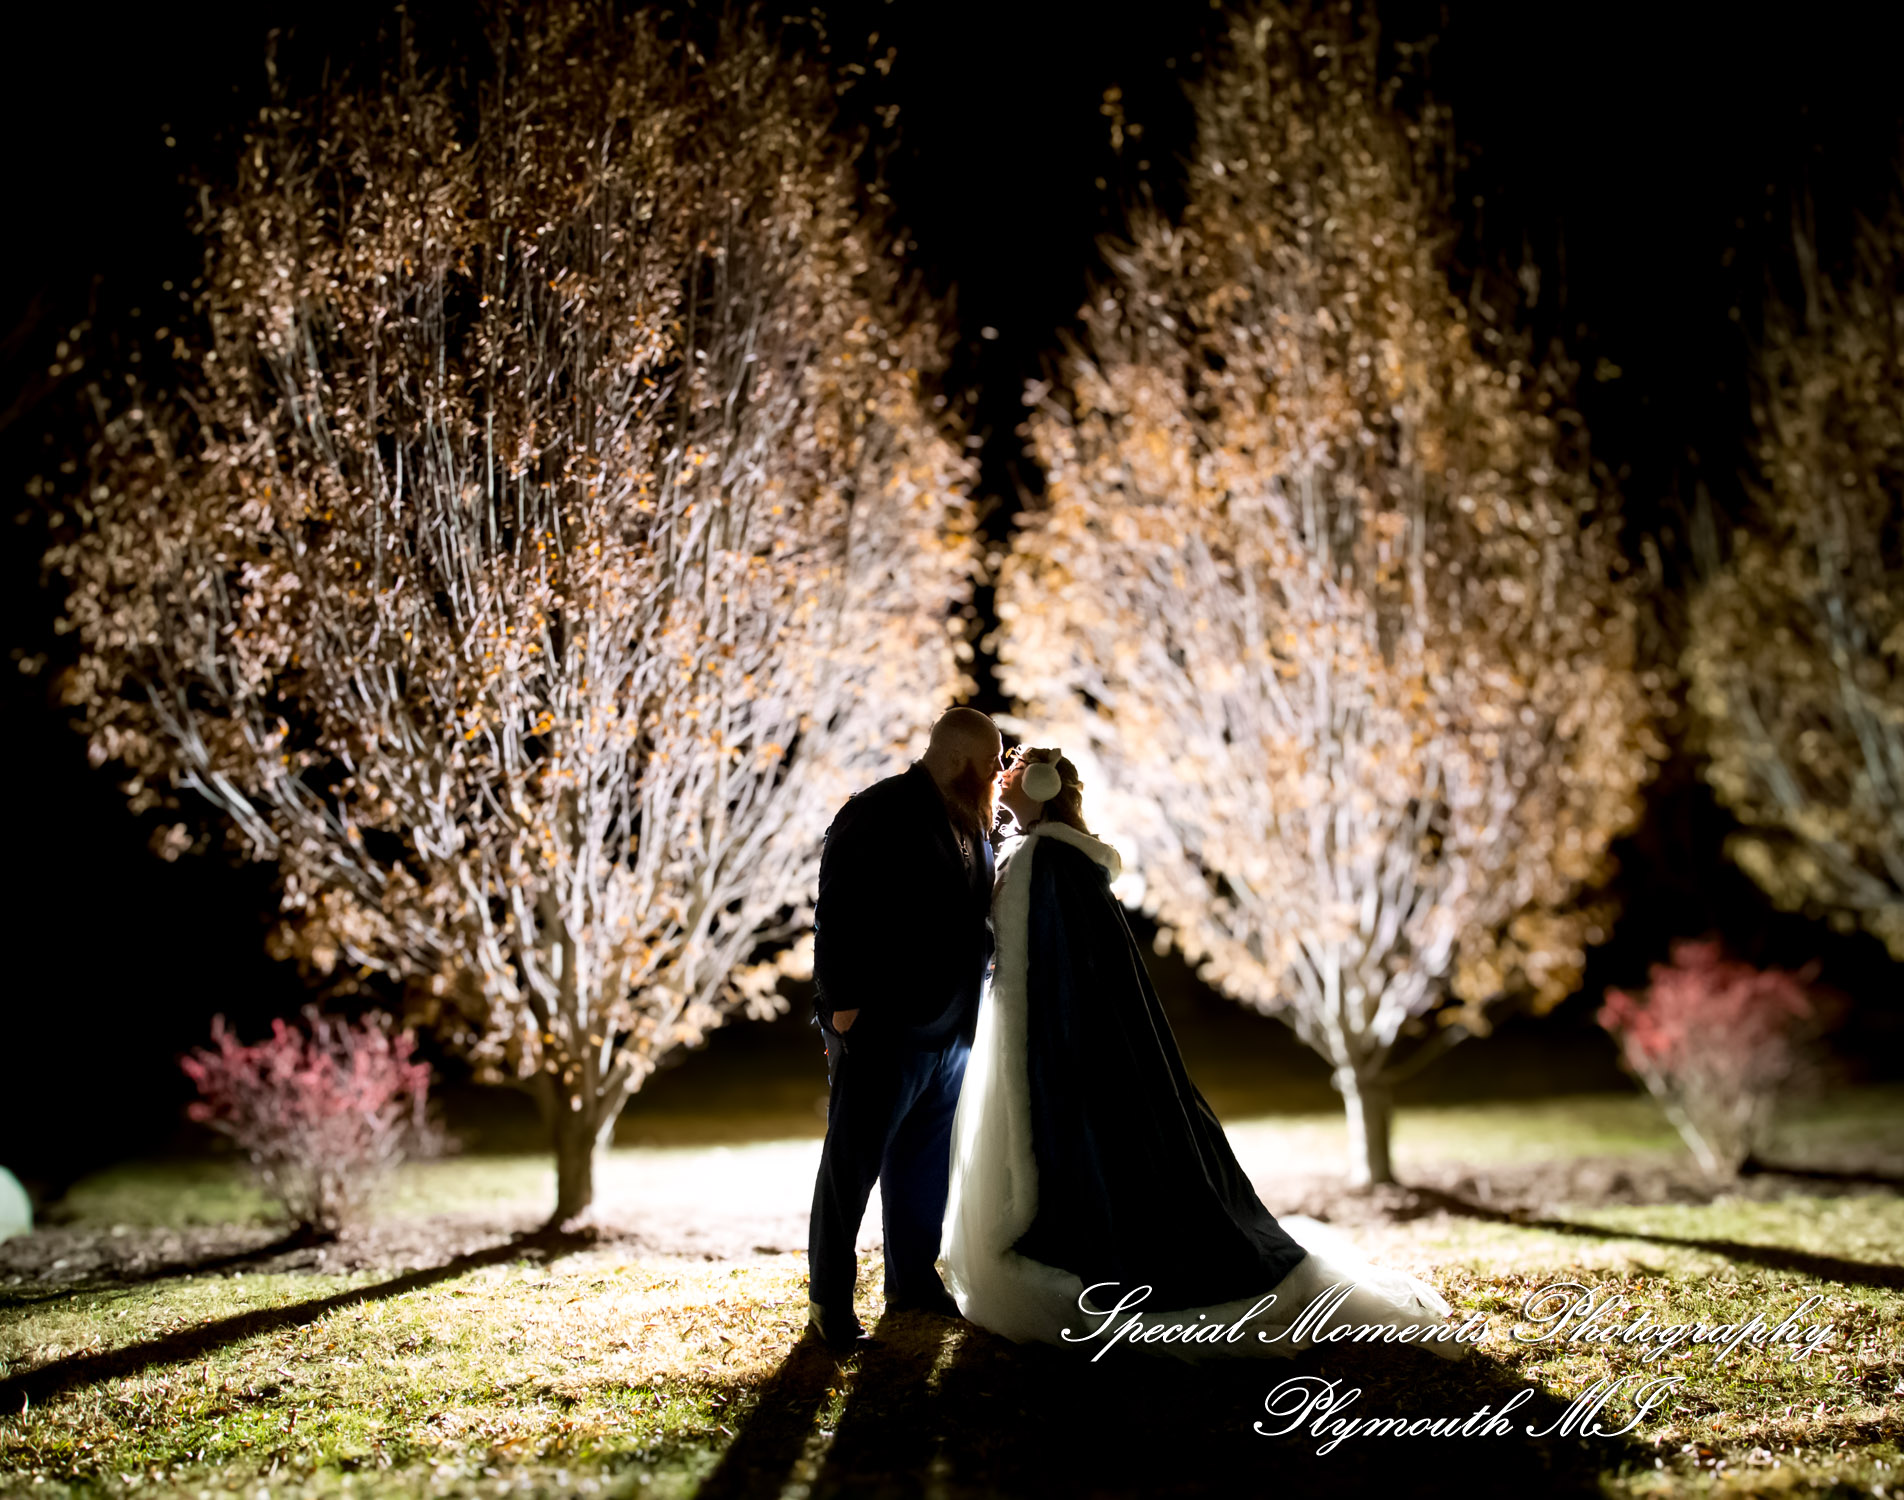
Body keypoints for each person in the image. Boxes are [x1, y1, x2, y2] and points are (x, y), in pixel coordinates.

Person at [939, 746, 1467, 1364]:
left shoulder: (1044, 861)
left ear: (1040, 783)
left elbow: (1047, 970)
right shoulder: (1052, 858)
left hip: (1050, 1045)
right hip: (1042, 1032)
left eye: (1014, 769)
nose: (1002, 778)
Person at [806, 707, 1008, 1351]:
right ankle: (829, 1305)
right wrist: (845, 1010)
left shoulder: (973, 821)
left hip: (952, 1028)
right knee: (852, 1166)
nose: (999, 774)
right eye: (992, 762)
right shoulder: (876, 811)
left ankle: (911, 1282)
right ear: (957, 760)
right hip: (883, 1024)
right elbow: (836, 912)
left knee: (923, 1163)